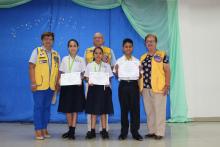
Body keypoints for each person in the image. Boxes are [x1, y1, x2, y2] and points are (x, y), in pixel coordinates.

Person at [29, 32, 60, 140]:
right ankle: (38, 129)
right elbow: (31, 66)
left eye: (50, 39)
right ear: (42, 40)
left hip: (51, 87)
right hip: (39, 86)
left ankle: (44, 128)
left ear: (53, 41)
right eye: (46, 39)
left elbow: (57, 71)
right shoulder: (37, 51)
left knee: (47, 108)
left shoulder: (56, 54)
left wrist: (57, 83)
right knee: (38, 107)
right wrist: (33, 82)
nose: (48, 41)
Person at [139, 34, 171, 140]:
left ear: (156, 42)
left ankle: (160, 132)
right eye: (148, 41)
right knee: (149, 111)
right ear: (145, 43)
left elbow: (167, 70)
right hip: (145, 88)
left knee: (159, 111)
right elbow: (140, 73)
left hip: (159, 88)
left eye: (152, 41)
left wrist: (167, 85)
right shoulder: (143, 57)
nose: (150, 43)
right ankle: (152, 131)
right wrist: (140, 87)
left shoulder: (162, 55)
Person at [84, 32, 116, 132]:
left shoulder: (109, 51)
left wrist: (106, 78)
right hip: (91, 85)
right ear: (93, 40)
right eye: (95, 38)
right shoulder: (87, 51)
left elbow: (113, 66)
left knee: (104, 108)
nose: (98, 39)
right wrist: (89, 80)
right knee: (91, 108)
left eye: (100, 38)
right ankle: (90, 129)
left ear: (103, 39)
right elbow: (85, 69)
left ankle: (104, 129)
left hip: (105, 85)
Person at [114, 38, 143, 141]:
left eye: (130, 46)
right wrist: (116, 72)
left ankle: (135, 132)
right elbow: (117, 76)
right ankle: (123, 133)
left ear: (132, 48)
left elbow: (140, 76)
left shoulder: (137, 61)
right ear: (123, 48)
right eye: (126, 47)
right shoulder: (119, 61)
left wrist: (140, 72)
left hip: (134, 86)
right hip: (123, 86)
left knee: (135, 110)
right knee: (124, 110)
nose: (128, 48)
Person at [58, 39, 86, 140]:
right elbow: (61, 72)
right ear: (68, 48)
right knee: (67, 109)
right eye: (70, 46)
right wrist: (60, 81)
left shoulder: (81, 59)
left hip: (77, 86)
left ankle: (72, 131)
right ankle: (70, 130)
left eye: (74, 45)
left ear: (78, 47)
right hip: (66, 86)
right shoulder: (65, 59)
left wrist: (80, 78)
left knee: (75, 109)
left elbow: (84, 73)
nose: (72, 47)